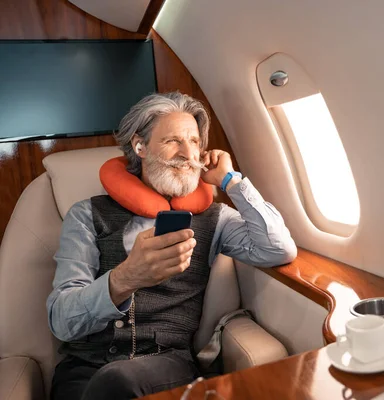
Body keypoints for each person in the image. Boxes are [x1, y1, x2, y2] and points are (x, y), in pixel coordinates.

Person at [46, 92, 297, 400]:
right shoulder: (86, 215)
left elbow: (278, 248)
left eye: (194, 141)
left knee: (117, 381)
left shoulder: (214, 218)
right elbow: (61, 321)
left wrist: (232, 180)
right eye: (173, 141)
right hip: (84, 367)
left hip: (167, 363)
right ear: (140, 146)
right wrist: (125, 278)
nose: (188, 154)